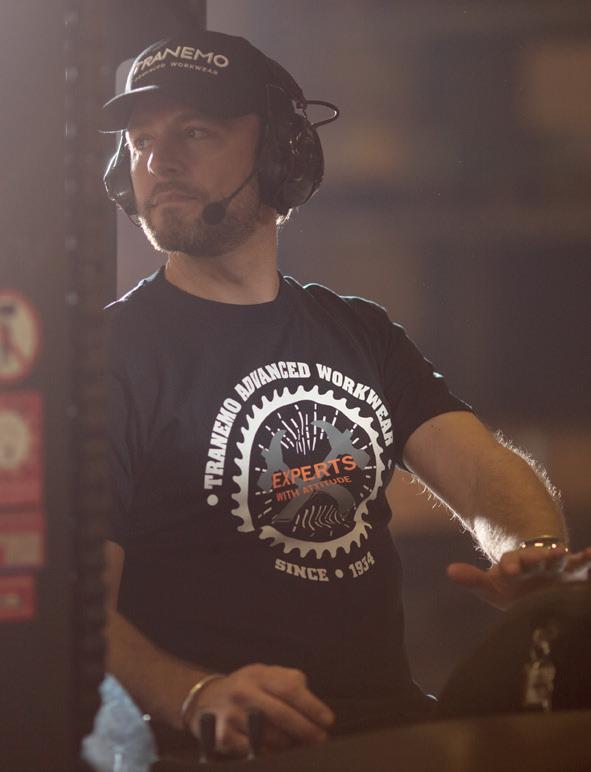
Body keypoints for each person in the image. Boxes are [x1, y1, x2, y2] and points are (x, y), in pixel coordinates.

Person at [100, 28, 590, 758]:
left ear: (281, 155)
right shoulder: (108, 359)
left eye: (194, 131)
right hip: (219, 750)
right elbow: (74, 607)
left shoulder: (358, 331)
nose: (157, 160)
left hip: (388, 731)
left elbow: (482, 469)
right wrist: (196, 694)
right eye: (141, 140)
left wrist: (534, 553)